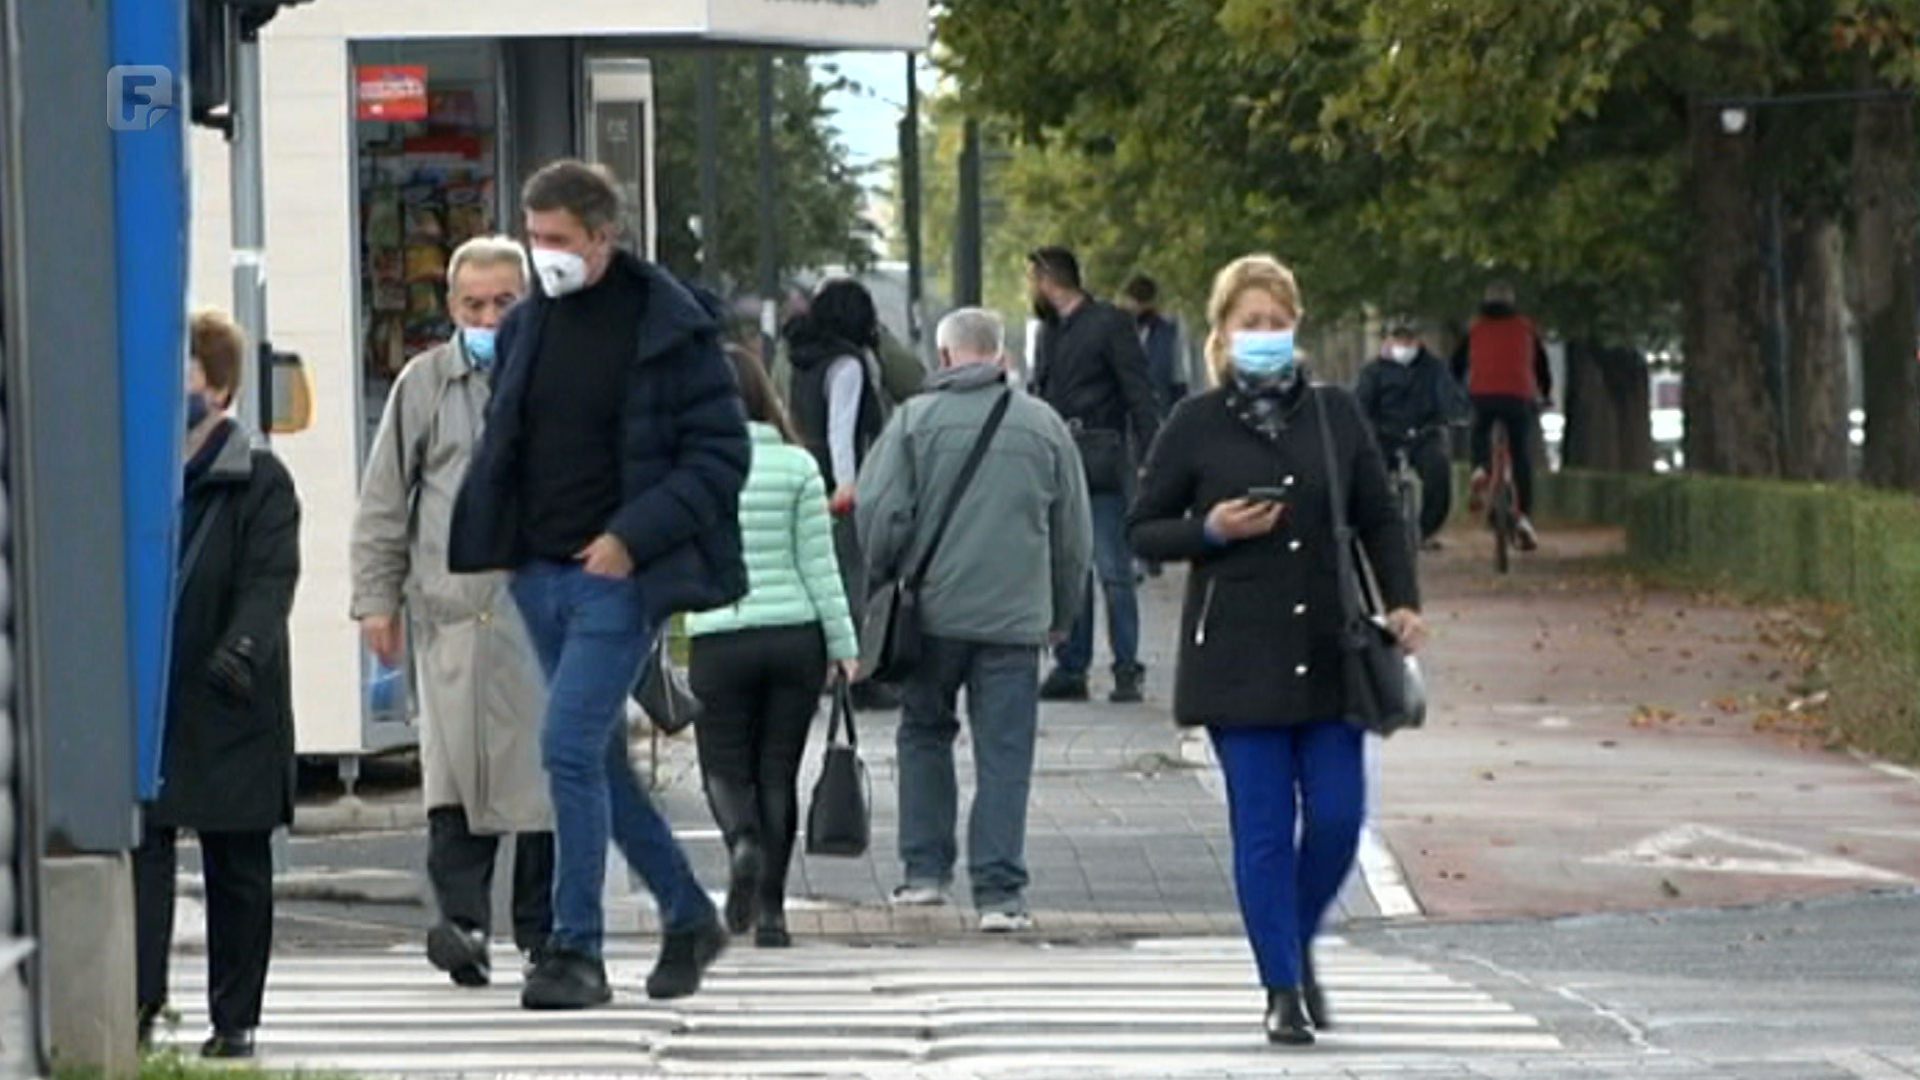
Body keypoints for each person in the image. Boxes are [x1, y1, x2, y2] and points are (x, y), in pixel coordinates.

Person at [448, 160, 749, 1011]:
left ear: (603, 238)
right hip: (536, 573)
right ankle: (689, 913)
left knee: (566, 750)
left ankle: (573, 949)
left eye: (558, 242)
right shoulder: (526, 328)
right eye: (534, 238)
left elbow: (721, 458)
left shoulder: (670, 331)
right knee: (595, 762)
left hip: (616, 578)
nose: (543, 257)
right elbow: (506, 440)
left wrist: (629, 536)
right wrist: (499, 540)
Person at [1128, 255, 1426, 1047]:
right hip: (1237, 655)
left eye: (1277, 321)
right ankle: (1282, 987)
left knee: (1336, 818)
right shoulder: (1195, 422)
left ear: (1295, 325)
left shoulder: (1334, 415)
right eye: (1249, 323)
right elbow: (1142, 526)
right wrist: (1211, 530)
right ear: (1222, 332)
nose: (1265, 335)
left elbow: (1379, 517)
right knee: (1262, 829)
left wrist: (1402, 601)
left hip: (1332, 646)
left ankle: (1290, 939)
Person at [350, 236, 554, 988]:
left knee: (545, 790)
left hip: (542, 617)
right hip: (455, 621)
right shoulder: (425, 384)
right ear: (451, 308)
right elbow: (383, 501)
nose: (490, 317)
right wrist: (375, 598)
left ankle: (544, 935)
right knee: (454, 782)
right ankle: (463, 925)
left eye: (506, 303)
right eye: (475, 305)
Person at [856, 308, 1093, 932]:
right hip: (1015, 621)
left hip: (929, 615)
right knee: (1005, 753)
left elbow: (879, 516)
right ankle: (999, 893)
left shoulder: (911, 422)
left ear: (943, 358)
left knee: (924, 734)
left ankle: (924, 873)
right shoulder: (1044, 427)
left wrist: (887, 576)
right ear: (1002, 359)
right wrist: (1061, 613)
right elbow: (1073, 538)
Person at [136, 310, 302, 1058]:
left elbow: (271, 579)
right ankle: (138, 1002)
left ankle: (235, 1021)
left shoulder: (260, 478)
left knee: (238, 860)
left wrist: (242, 650)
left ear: (223, 390)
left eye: (188, 382)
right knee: (143, 851)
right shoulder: (137, 470)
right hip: (151, 693)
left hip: (234, 696)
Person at [687, 346, 861, 950]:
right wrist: (843, 645)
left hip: (718, 634)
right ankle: (773, 914)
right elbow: (821, 565)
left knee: (723, 767)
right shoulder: (797, 466)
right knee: (777, 773)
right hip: (794, 637)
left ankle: (741, 842)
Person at [1027, 246, 1161, 704]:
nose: (1033, 289)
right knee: (1072, 566)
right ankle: (1073, 665)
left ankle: (1126, 666)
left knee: (1112, 567)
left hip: (1101, 455)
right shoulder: (1049, 332)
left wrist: (1151, 453)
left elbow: (1138, 390)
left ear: (1049, 280)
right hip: (1061, 457)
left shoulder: (1109, 324)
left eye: (1034, 280)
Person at [782, 278, 896, 711]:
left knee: (812, 577)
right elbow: (842, 429)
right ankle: (859, 674)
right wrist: (848, 486)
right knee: (853, 577)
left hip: (807, 475)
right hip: (838, 483)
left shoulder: (801, 360)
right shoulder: (848, 366)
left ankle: (810, 675)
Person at [1451, 282, 1552, 550]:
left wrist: (1457, 389)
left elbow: (1457, 364)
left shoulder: (1475, 328)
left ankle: (1480, 468)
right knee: (1520, 455)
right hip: (1519, 396)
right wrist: (1546, 392)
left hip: (1483, 394)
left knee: (1479, 432)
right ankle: (1525, 518)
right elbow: (1541, 365)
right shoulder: (1525, 328)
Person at [1355, 324, 1464, 546]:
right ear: (1389, 341)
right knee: (1368, 476)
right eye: (1399, 340)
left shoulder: (1434, 369)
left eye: (1409, 341)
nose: (1404, 346)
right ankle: (1373, 530)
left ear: (1418, 342)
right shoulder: (1373, 371)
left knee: (1439, 472)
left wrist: (1454, 414)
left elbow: (1448, 396)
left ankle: (1425, 530)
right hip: (1384, 435)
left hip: (1424, 434)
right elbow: (1360, 403)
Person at [1119, 274, 1188, 417]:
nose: (1136, 309)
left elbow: (1178, 378)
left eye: (1141, 303)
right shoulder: (1118, 332)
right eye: (1134, 303)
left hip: (1159, 410)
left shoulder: (1167, 333)